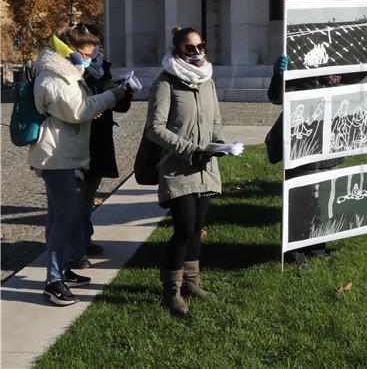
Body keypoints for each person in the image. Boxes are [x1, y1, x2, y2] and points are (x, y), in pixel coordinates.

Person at [266, 34, 367, 265]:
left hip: (329, 143)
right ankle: (294, 253)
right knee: (300, 197)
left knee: (323, 198)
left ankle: (317, 248)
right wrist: (278, 75)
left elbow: (356, 72)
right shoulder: (297, 67)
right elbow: (275, 97)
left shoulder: (336, 67)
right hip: (302, 145)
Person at [28, 23, 127, 306]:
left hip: (62, 152)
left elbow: (75, 110)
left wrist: (89, 107)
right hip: (56, 155)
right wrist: (111, 97)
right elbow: (77, 110)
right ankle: (53, 282)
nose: (88, 58)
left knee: (58, 217)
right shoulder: (56, 76)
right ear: (69, 50)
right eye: (85, 53)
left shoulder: (67, 72)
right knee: (65, 219)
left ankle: (62, 271)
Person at [145, 26, 225, 316]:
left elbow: (215, 118)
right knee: (184, 228)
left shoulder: (207, 80)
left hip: (206, 166)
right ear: (178, 50)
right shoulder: (166, 82)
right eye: (191, 48)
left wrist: (218, 144)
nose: (198, 52)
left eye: (201, 45)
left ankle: (192, 281)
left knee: (197, 228)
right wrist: (189, 149)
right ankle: (172, 291)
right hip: (178, 168)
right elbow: (155, 129)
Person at [54, 25, 133, 270]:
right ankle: (74, 251)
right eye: (87, 50)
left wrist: (123, 93)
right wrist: (101, 99)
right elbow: (73, 106)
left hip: (99, 140)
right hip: (78, 139)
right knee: (76, 198)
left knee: (88, 196)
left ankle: (84, 240)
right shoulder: (66, 71)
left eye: (95, 47)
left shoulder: (103, 68)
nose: (92, 55)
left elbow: (118, 107)